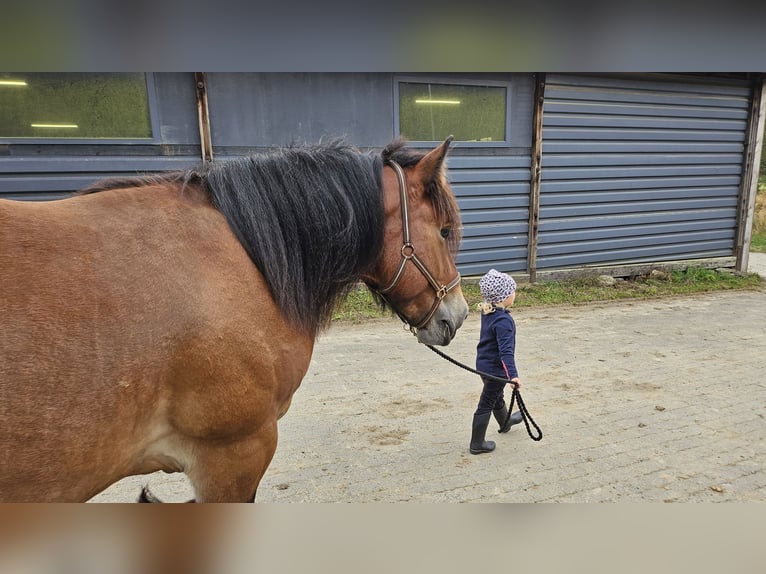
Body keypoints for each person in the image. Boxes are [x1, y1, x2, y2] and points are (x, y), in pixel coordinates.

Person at [470, 268, 524, 454]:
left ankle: (505, 422)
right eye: (512, 291)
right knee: (486, 402)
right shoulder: (504, 321)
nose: (515, 294)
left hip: (483, 365)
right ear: (504, 297)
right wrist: (513, 377)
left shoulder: (489, 312)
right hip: (496, 371)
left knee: (495, 396)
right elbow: (506, 353)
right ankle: (477, 443)